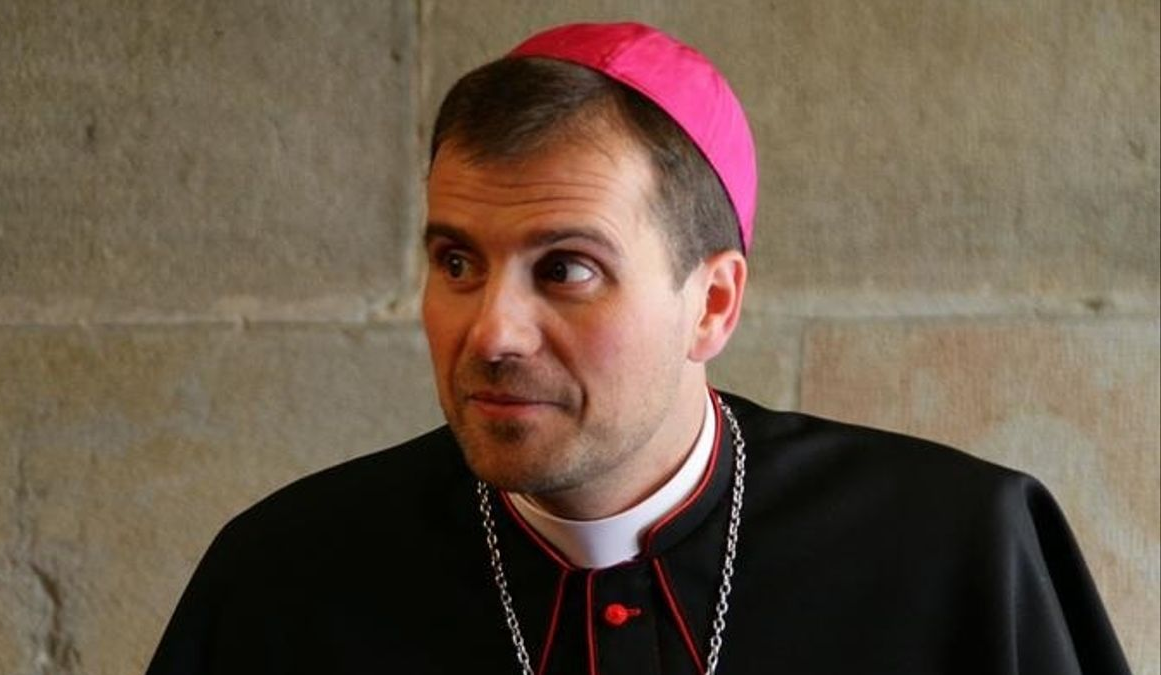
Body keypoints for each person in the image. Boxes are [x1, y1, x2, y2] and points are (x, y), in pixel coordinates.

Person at [146, 22, 1130, 675]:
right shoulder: (285, 579)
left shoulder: (955, 549)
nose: (492, 331)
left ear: (712, 304)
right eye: (457, 261)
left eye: (566, 268)